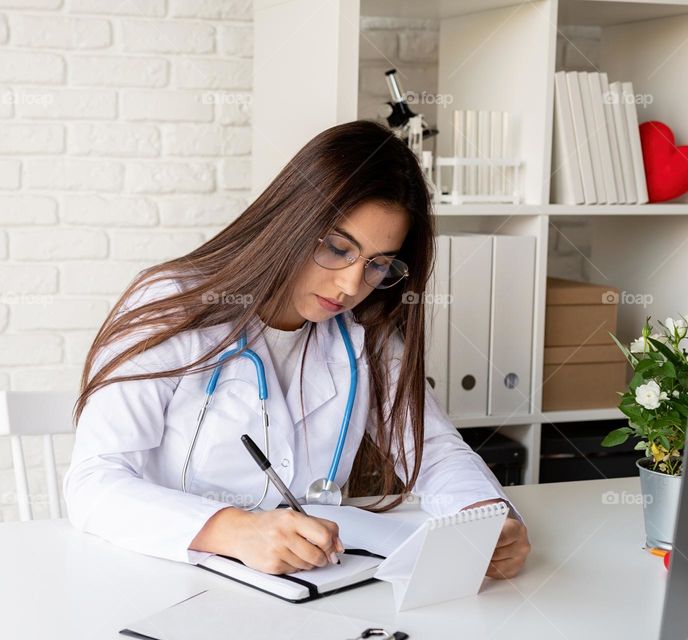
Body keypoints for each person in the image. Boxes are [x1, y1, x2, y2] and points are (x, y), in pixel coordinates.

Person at [63, 120, 530, 579]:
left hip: (309, 585)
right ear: (291, 219)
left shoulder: (362, 333)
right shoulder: (172, 304)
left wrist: (485, 517)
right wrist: (235, 532)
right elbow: (94, 482)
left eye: (378, 264)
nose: (351, 285)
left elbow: (435, 451)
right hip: (166, 576)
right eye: (336, 247)